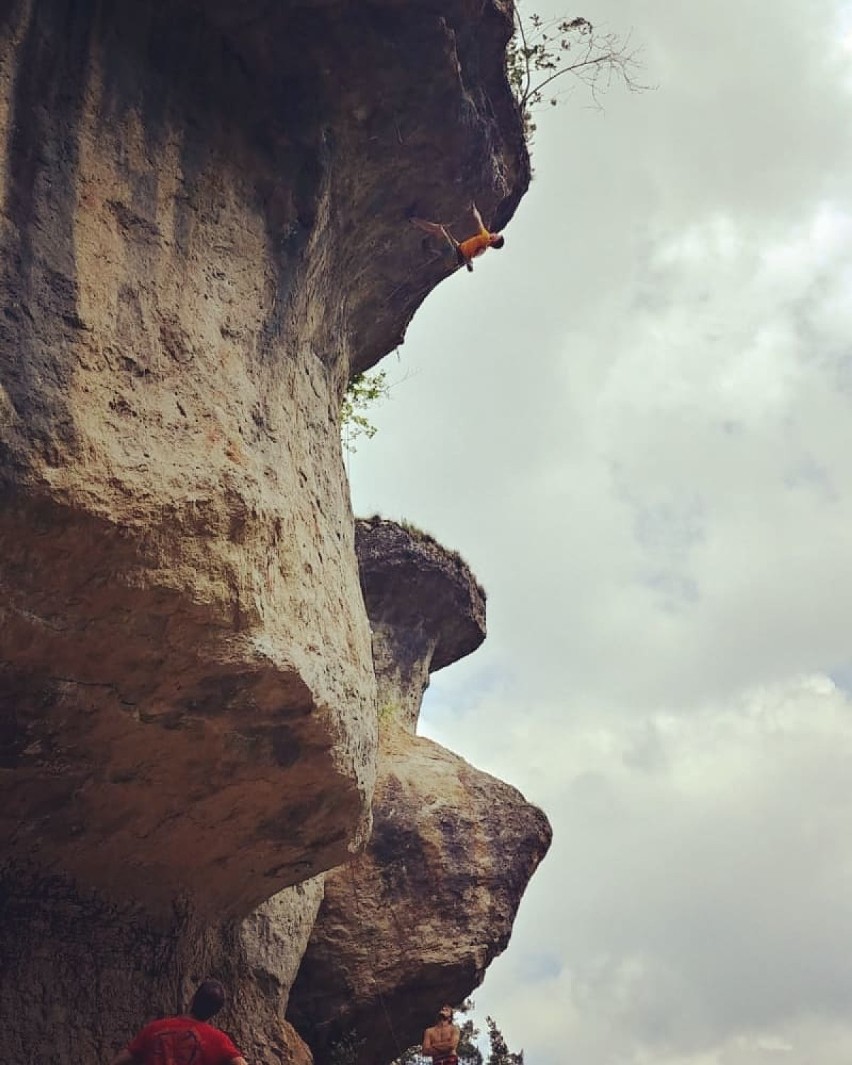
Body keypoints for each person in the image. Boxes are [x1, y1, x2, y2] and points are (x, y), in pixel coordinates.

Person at [110, 979, 248, 1065]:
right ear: (215, 1012)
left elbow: (119, 1061)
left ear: (193, 999)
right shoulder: (218, 1041)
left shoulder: (155, 1028)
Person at [410, 204, 505, 272]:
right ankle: (430, 249)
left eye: (497, 236)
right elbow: (461, 248)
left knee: (438, 230)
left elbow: (479, 223)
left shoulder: (485, 242)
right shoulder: (485, 239)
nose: (496, 233)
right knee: (442, 237)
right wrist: (450, 235)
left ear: (495, 240)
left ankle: (413, 219)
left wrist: (469, 263)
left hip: (454, 257)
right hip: (454, 258)